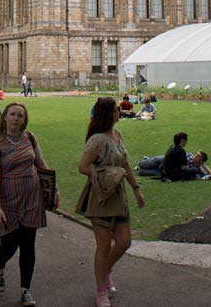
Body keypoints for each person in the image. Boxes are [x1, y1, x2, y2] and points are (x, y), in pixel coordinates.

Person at [0, 103, 58, 307]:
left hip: (31, 198)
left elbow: (42, 165)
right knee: (9, 244)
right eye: (12, 114)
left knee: (28, 245)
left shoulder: (30, 138)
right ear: (5, 118)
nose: (16, 118)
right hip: (8, 200)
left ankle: (26, 289)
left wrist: (56, 190)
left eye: (20, 115)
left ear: (24, 119)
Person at [77, 98, 145, 307]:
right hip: (101, 195)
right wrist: (96, 173)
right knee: (104, 245)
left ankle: (105, 271)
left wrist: (136, 190)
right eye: (116, 109)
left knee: (124, 242)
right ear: (109, 114)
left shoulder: (117, 135)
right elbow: (82, 166)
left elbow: (125, 163)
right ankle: (101, 291)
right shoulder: (97, 140)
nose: (120, 111)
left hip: (118, 194)